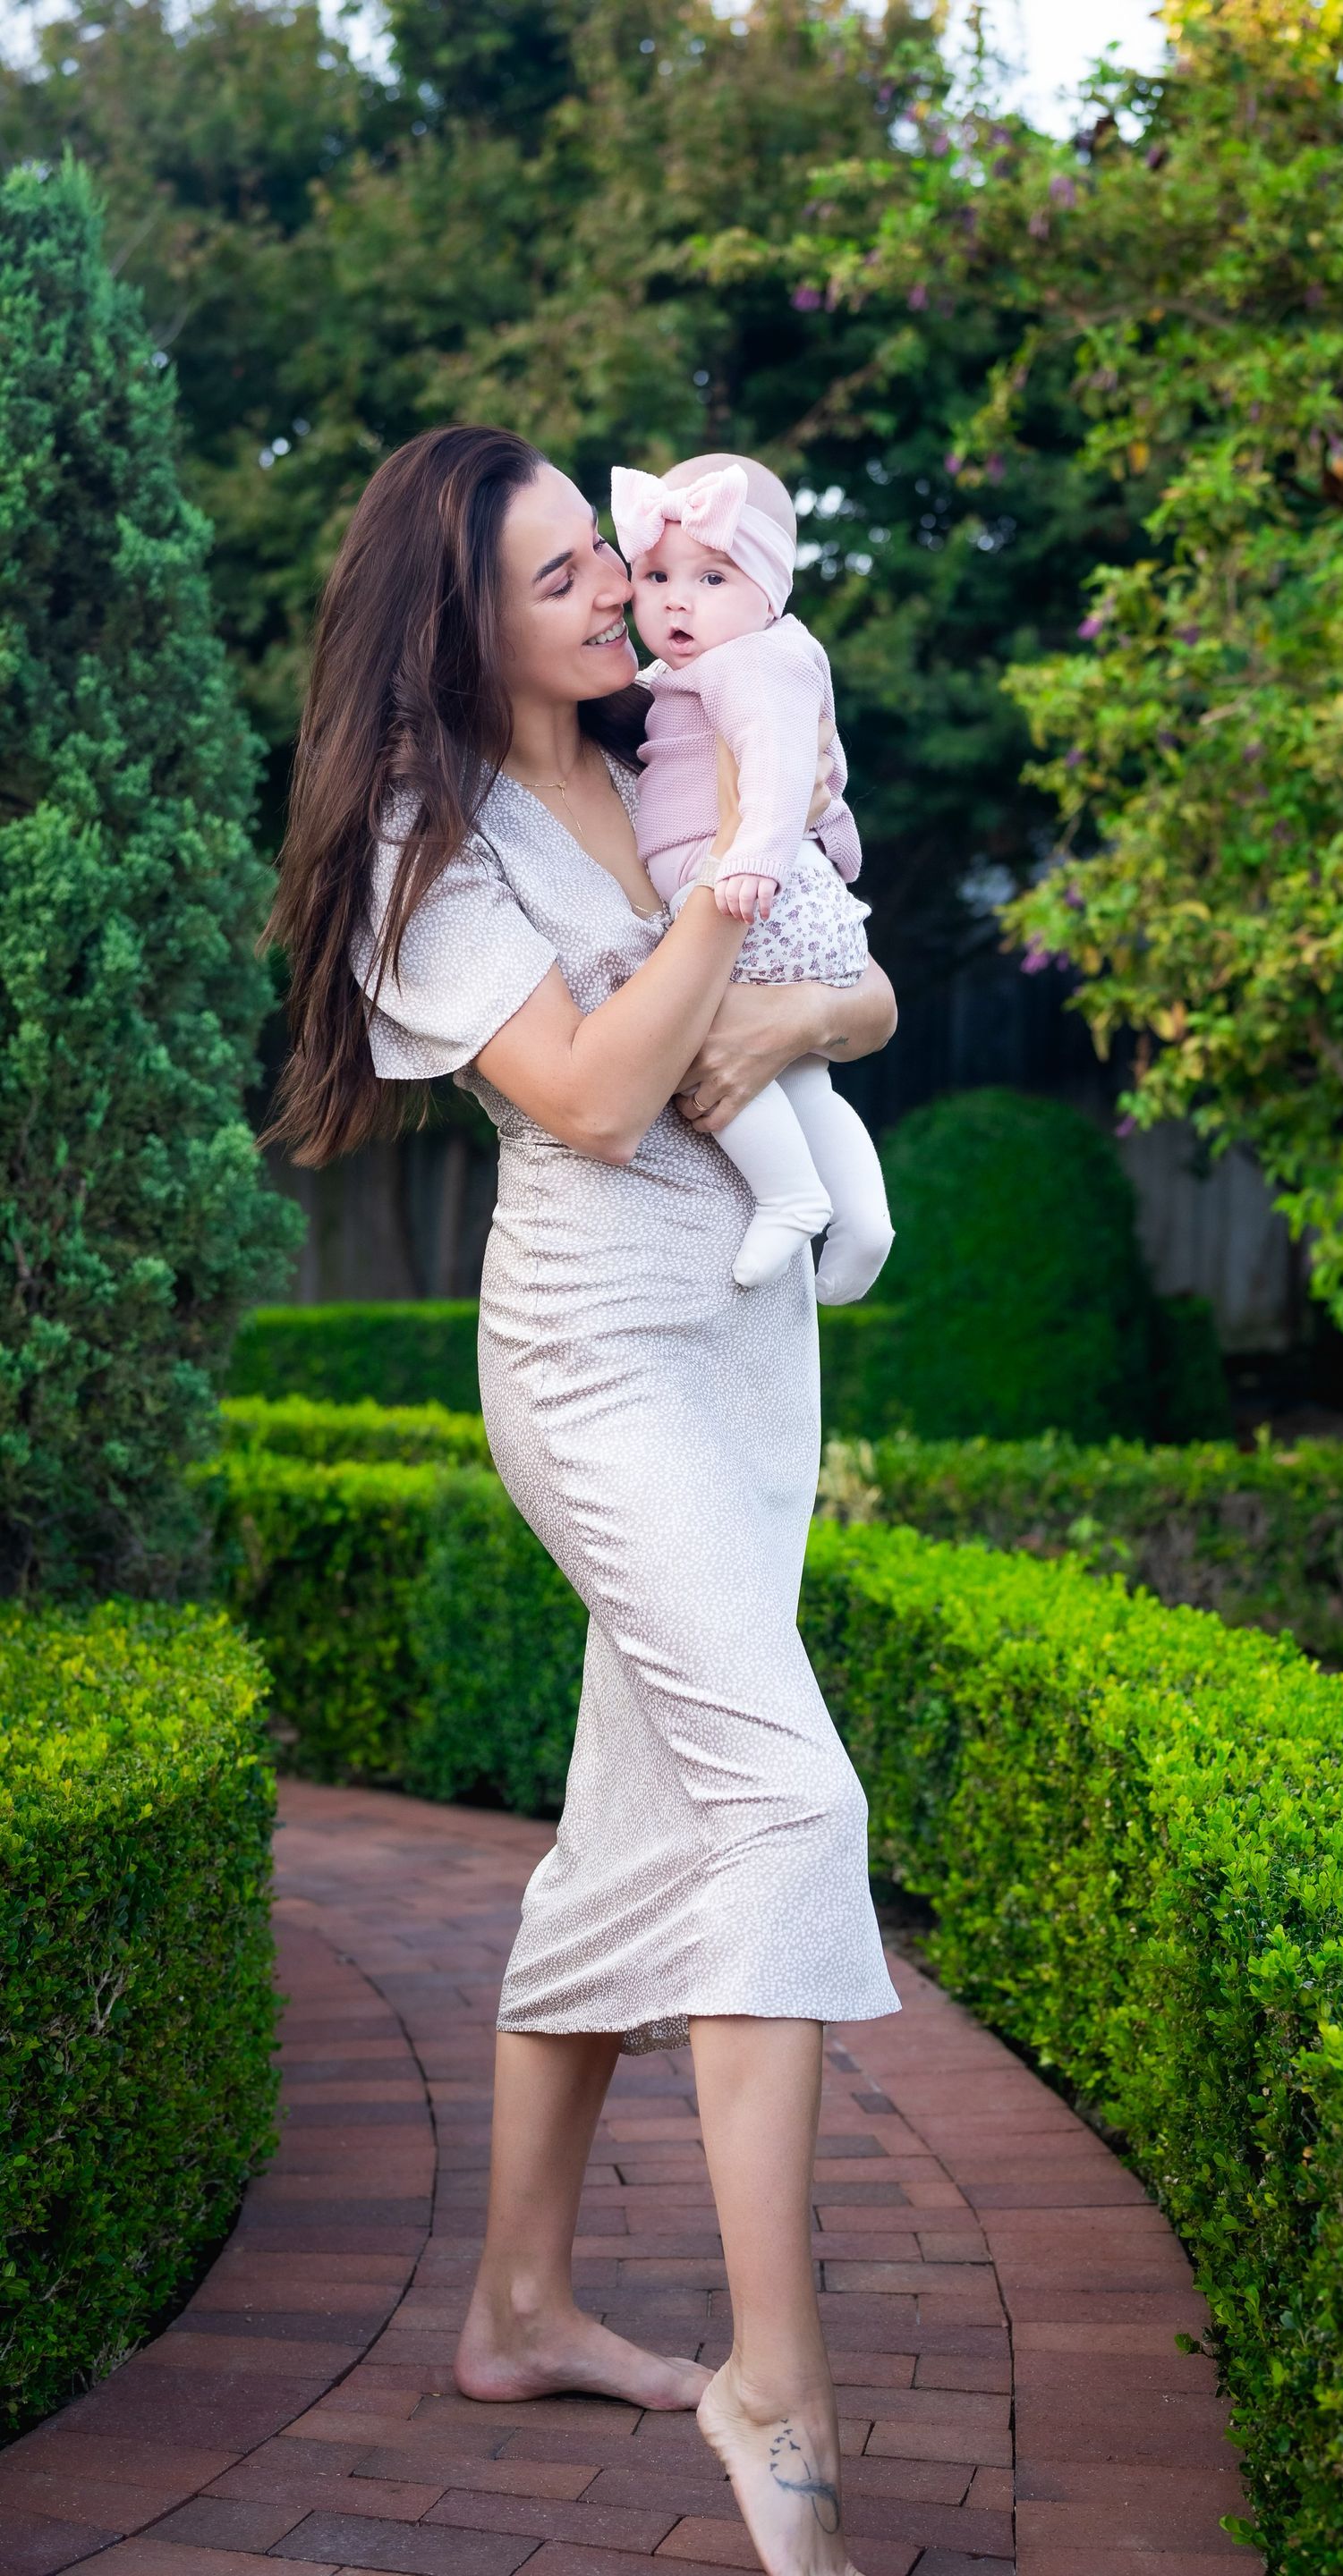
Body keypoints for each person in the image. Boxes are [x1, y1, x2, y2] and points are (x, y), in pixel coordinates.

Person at [264, 422, 901, 2576]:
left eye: (599, 563)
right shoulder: (426, 854)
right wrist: (751, 948)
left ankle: (520, 2308)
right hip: (599, 1351)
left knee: (636, 1814)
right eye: (561, 581)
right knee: (785, 1805)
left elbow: (856, 976)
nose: (616, 597)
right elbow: (609, 1097)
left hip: (748, 1347)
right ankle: (777, 2383)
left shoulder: (674, 732)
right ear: (458, 622)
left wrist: (788, 954)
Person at [612, 452, 894, 1303]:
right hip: (767, 890)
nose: (676, 600)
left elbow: (778, 767)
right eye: (656, 576)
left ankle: (790, 1195)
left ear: (768, 593)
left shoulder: (752, 663)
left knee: (684, 1024)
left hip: (747, 893)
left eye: (710, 577)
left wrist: (754, 861)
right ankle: (865, 1222)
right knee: (803, 1073)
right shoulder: (709, 668)